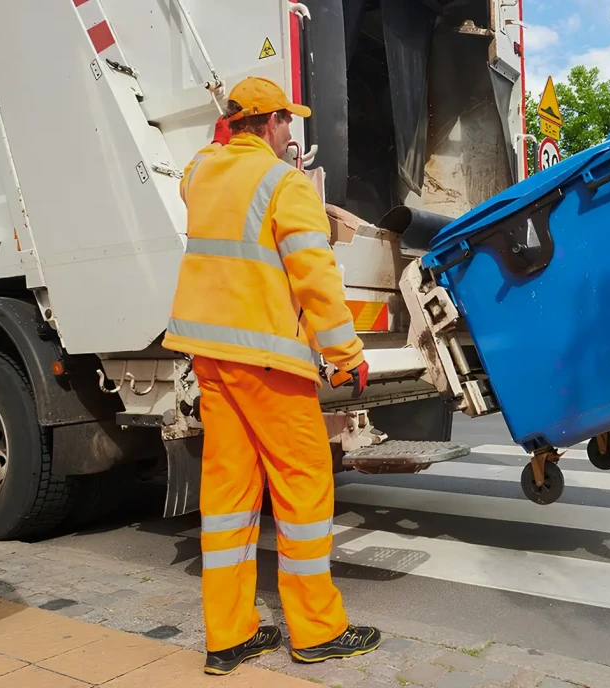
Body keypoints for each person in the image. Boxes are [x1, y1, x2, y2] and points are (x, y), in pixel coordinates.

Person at [162, 76, 381, 676]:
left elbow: (193, 170)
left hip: (210, 357)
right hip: (267, 360)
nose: (293, 133)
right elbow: (315, 277)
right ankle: (316, 630)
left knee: (229, 494)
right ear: (271, 122)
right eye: (288, 121)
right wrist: (346, 353)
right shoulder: (286, 184)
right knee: (303, 485)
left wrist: (220, 139)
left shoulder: (202, 173)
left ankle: (229, 637)